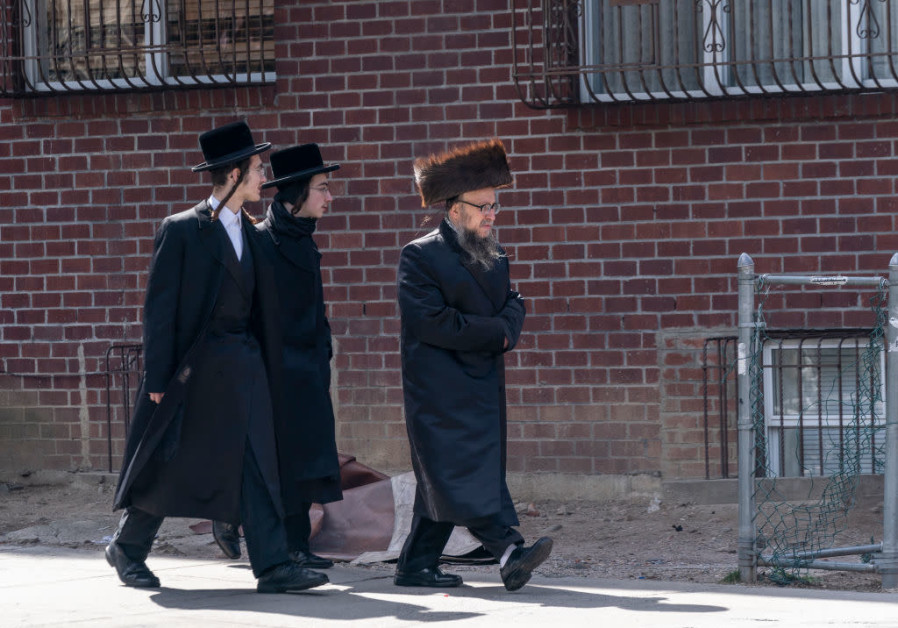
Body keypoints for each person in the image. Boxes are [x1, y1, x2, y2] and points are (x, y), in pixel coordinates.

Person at [107, 121, 328, 594]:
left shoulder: (256, 234)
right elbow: (160, 311)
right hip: (195, 370)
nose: (261, 176)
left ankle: (271, 565)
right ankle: (127, 547)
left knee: (257, 461)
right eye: (255, 168)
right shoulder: (183, 231)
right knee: (171, 459)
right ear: (232, 175)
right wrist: (159, 376)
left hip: (245, 368)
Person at [394, 139, 552, 591]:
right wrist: (497, 330)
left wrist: (504, 326)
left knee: (442, 485)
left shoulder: (495, 255)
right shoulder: (420, 255)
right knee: (462, 477)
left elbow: (513, 305)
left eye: (495, 207)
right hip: (439, 393)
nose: (491, 215)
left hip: (482, 388)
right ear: (455, 209)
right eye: (482, 207)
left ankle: (415, 565)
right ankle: (509, 552)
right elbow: (433, 323)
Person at [254, 143, 344, 568]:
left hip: (307, 372)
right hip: (274, 375)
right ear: (295, 194)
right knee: (281, 461)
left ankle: (299, 545)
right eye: (322, 188)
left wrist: (322, 348)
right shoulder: (261, 243)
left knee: (308, 459)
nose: (330, 197)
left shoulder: (304, 240)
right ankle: (281, 545)